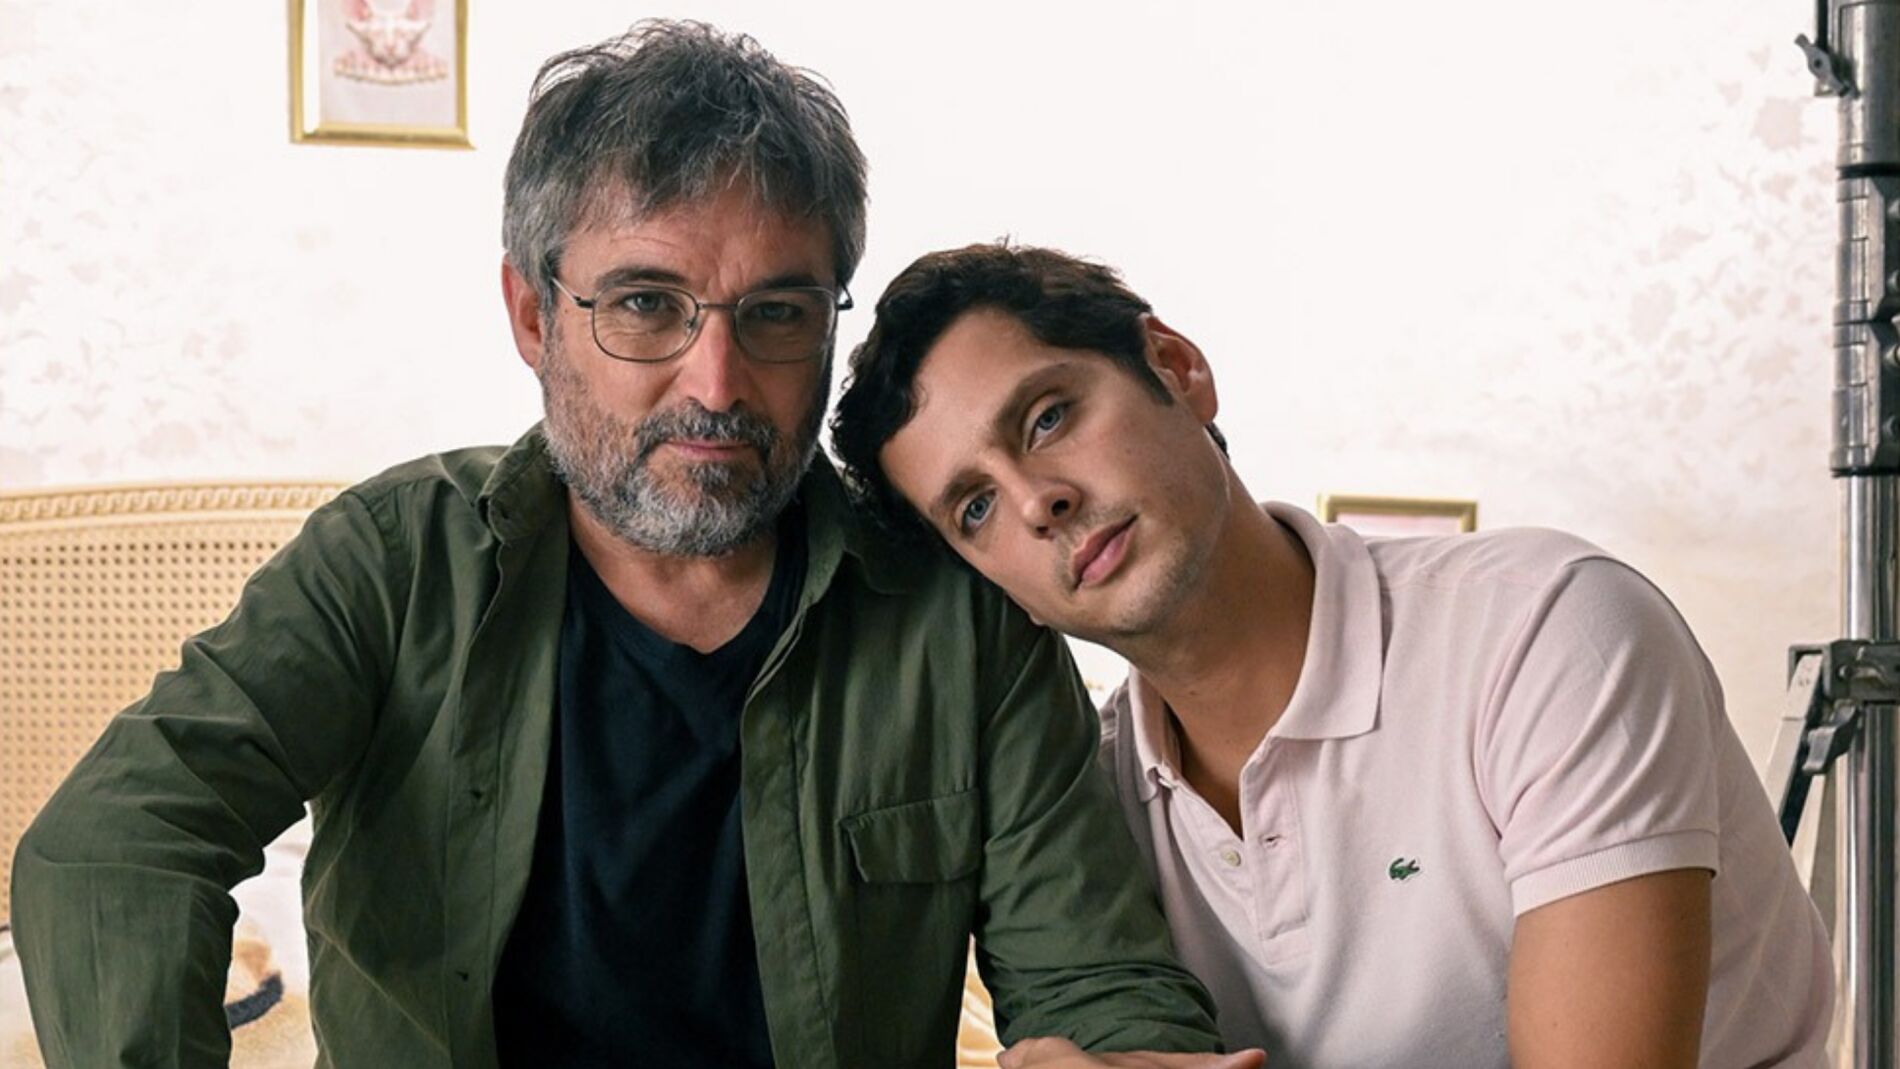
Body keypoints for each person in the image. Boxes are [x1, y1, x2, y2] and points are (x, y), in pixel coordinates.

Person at [10, 27, 1237, 1068]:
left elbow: (1095, 979)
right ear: (533, 315)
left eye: (776, 313)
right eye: (646, 304)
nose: (717, 382)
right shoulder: (391, 564)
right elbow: (117, 844)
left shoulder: (957, 617)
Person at [832, 242, 1836, 1068]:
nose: (1037, 501)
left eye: (1049, 416)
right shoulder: (1086, 802)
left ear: (1177, 367)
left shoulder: (1547, 628)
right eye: (974, 508)